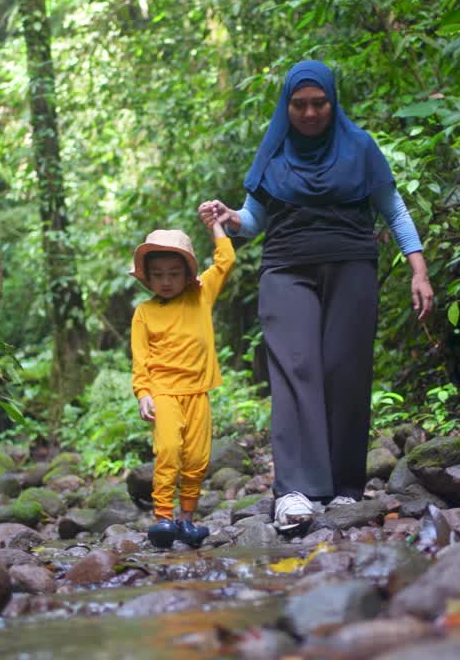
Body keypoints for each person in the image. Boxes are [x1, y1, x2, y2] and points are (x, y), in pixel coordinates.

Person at [198, 59, 434, 531]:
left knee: (344, 372)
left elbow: (393, 210)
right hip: (286, 267)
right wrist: (230, 217)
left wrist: (419, 271)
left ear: (332, 101)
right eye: (299, 104)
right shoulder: (275, 153)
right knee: (296, 368)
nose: (309, 113)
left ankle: (346, 490)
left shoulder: (360, 148)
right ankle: (295, 492)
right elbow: (254, 220)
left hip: (352, 265)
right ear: (286, 106)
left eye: (318, 103)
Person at [129, 215, 235, 549]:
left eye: (174, 274)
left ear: (187, 274)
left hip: (197, 392)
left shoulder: (200, 296)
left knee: (197, 458)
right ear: (147, 278)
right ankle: (162, 516)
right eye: (158, 275)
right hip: (163, 392)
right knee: (169, 450)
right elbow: (141, 358)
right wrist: (143, 392)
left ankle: (186, 520)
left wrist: (216, 225)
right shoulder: (144, 313)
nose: (166, 281)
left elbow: (226, 260)